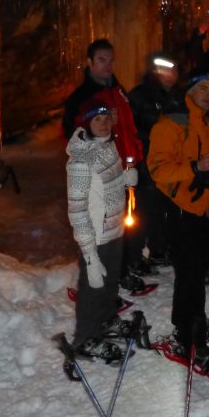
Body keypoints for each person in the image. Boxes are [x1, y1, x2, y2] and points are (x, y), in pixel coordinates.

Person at [147, 72, 209, 373]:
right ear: (190, 90)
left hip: (206, 206)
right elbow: (158, 170)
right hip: (181, 208)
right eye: (203, 89)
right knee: (190, 274)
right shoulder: (171, 122)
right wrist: (194, 168)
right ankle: (189, 336)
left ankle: (185, 324)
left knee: (197, 270)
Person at [64, 92, 139, 362]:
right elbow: (77, 210)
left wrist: (124, 180)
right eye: (98, 119)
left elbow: (104, 189)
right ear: (86, 123)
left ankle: (106, 320)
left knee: (109, 283)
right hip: (94, 236)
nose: (105, 123)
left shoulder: (108, 145)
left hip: (114, 229)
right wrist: (89, 255)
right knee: (92, 286)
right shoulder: (80, 162)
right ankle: (85, 337)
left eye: (108, 117)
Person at [127, 52, 185, 272]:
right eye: (164, 69)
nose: (169, 74)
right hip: (147, 161)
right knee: (146, 209)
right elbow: (130, 129)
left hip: (173, 162)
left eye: (173, 69)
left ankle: (162, 250)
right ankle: (134, 255)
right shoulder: (140, 96)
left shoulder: (180, 97)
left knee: (168, 207)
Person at [61, 39, 142, 163]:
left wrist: (137, 156)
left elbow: (131, 127)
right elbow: (70, 138)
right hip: (102, 170)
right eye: (101, 60)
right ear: (90, 62)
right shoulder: (80, 98)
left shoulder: (119, 92)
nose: (108, 66)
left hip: (129, 165)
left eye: (111, 60)